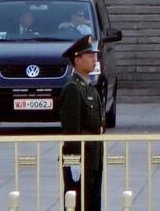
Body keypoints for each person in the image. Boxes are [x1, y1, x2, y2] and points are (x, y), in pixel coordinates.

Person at [59, 37, 105, 211]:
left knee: (93, 204)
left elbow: (100, 122)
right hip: (80, 159)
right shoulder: (73, 88)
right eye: (90, 55)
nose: (95, 59)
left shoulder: (89, 87)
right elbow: (71, 131)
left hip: (93, 157)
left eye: (95, 55)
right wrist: (74, 163)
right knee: (78, 204)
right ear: (77, 60)